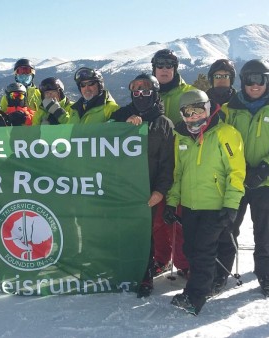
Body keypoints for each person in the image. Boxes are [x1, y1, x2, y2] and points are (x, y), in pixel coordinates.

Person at [165, 89, 245, 315]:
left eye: (198, 110)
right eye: (187, 112)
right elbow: (178, 173)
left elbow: (236, 172)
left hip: (215, 206)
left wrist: (231, 205)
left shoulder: (225, 133)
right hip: (191, 206)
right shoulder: (181, 137)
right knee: (190, 249)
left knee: (203, 252)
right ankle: (195, 290)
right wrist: (172, 202)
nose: (194, 117)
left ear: (208, 109)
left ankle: (196, 296)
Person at [217, 59, 269, 297]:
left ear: (268, 81)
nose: (255, 85)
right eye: (250, 80)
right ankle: (220, 274)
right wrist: (237, 170)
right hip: (236, 180)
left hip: (266, 181)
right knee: (228, 228)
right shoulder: (230, 109)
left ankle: (267, 275)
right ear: (243, 81)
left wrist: (264, 169)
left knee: (266, 231)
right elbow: (221, 143)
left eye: (260, 79)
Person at [110, 74, 175, 298]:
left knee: (144, 234)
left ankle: (144, 275)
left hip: (149, 189)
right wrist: (123, 128)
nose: (140, 95)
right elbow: (99, 138)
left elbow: (169, 163)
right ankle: (121, 271)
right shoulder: (121, 116)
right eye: (136, 90)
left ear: (155, 93)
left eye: (146, 90)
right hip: (123, 187)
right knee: (122, 231)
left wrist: (160, 190)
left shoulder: (163, 123)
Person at [150, 49, 194, 276]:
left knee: (178, 216)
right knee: (158, 219)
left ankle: (184, 264)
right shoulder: (149, 92)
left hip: (182, 165)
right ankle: (161, 259)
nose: (165, 69)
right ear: (154, 68)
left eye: (169, 65)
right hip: (156, 167)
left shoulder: (188, 93)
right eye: (160, 65)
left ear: (175, 69)